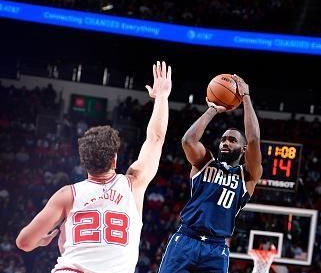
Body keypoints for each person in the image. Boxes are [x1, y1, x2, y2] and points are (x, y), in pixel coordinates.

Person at [16, 61, 172, 273]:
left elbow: (24, 242)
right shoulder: (133, 184)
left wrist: (40, 241)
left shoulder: (66, 195)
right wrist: (161, 97)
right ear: (115, 160)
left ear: (83, 162)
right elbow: (155, 138)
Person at [158, 74, 262, 273]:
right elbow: (188, 141)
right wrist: (212, 110)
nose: (225, 142)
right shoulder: (205, 162)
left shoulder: (247, 176)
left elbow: (255, 139)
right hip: (186, 239)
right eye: (223, 139)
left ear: (243, 149)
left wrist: (246, 97)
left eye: (232, 140)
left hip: (216, 248)